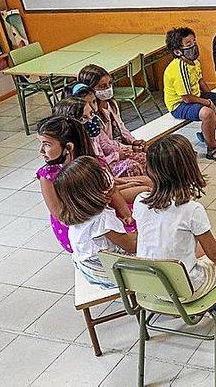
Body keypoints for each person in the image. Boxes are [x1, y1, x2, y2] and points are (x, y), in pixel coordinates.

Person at [133, 134, 216, 321]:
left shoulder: (140, 201)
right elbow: (215, 254)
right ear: (188, 168)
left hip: (152, 286)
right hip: (186, 289)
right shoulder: (191, 210)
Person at [35, 116, 137, 253]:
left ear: (68, 147)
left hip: (101, 210)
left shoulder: (94, 164)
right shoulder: (47, 175)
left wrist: (126, 215)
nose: (41, 150)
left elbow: (113, 193)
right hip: (75, 222)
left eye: (46, 144)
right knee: (126, 239)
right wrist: (95, 217)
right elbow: (59, 214)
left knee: (136, 212)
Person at [54, 156, 138, 288]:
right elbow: (131, 246)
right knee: (155, 253)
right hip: (106, 275)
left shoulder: (78, 215)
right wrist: (146, 231)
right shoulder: (102, 219)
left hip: (87, 269)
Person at [164, 27, 216, 162]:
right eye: (189, 44)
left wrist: (211, 96)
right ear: (177, 51)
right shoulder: (179, 68)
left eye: (194, 41)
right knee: (208, 113)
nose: (194, 46)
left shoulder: (194, 62)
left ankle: (206, 132)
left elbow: (200, 81)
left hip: (195, 96)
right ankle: (212, 149)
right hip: (179, 105)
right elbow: (186, 98)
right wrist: (208, 103)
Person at [54, 93, 147, 178]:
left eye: (91, 114)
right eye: (84, 118)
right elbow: (94, 165)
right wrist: (116, 156)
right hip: (99, 172)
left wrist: (130, 148)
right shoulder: (74, 146)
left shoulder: (95, 132)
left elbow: (107, 144)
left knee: (143, 156)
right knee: (132, 167)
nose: (91, 120)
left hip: (108, 161)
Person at [77, 64, 148, 151]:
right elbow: (104, 144)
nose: (108, 88)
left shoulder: (111, 103)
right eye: (102, 86)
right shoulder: (92, 116)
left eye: (109, 83)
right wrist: (130, 148)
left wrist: (133, 141)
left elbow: (121, 126)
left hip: (119, 145)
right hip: (108, 152)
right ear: (90, 90)